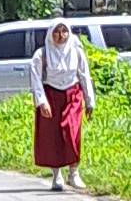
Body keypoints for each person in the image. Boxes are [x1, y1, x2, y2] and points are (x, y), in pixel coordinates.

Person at [33, 17, 90, 191]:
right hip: (51, 95)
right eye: (57, 32)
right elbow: (35, 80)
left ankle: (74, 172)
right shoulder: (42, 54)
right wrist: (42, 102)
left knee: (71, 132)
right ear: (51, 34)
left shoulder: (77, 51)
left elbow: (84, 75)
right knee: (52, 136)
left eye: (64, 31)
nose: (61, 36)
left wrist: (89, 100)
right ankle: (57, 176)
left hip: (72, 95)